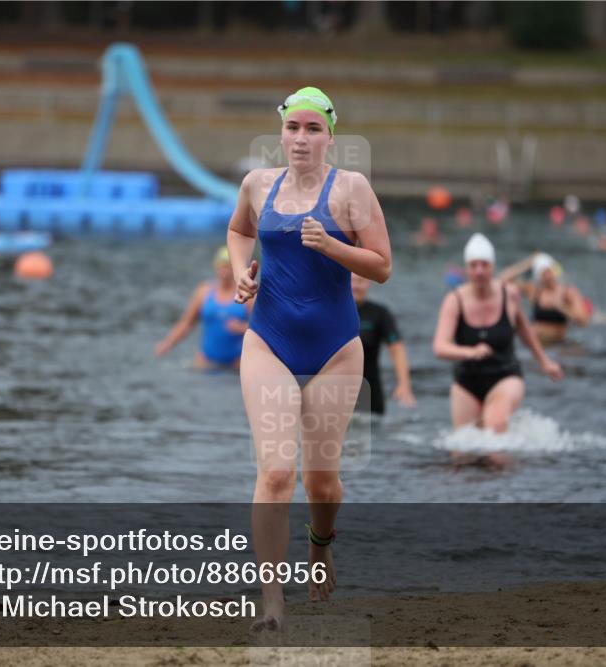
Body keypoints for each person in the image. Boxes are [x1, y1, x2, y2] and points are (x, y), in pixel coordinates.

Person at [226, 87, 391, 630]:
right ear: (281, 134)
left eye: (312, 129)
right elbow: (238, 230)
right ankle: (272, 602)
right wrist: (244, 271)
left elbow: (382, 266)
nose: (301, 138)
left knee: (321, 482)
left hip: (336, 349)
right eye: (293, 128)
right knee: (275, 472)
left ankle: (320, 549)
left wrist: (333, 247)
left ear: (330, 137)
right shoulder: (257, 184)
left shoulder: (351, 189)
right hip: (267, 341)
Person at [432, 234, 562, 466]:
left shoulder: (508, 293)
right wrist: (469, 352)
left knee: (495, 427)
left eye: (485, 265)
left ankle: (501, 495)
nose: (480, 271)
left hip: (505, 375)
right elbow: (440, 347)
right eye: (474, 265)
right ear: (467, 269)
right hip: (466, 381)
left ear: (493, 266)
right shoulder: (454, 300)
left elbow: (523, 328)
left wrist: (544, 361)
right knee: (464, 452)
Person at [154, 246, 251, 369]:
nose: (225, 272)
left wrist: (242, 328)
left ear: (236, 269)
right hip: (206, 362)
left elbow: (262, 328)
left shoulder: (248, 295)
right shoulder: (204, 292)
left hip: (236, 364)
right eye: (222, 266)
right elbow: (187, 323)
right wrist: (167, 343)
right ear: (216, 267)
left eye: (229, 267)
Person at [352, 273, 416, 415]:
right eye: (353, 281)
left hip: (370, 390)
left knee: (373, 430)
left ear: (369, 282)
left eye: (361, 281)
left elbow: (397, 349)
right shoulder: (333, 310)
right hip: (335, 387)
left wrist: (404, 384)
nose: (356, 286)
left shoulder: (379, 313)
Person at [498, 252, 592, 346]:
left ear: (554, 271)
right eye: (543, 273)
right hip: (533, 341)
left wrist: (562, 307)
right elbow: (502, 281)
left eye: (549, 271)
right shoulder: (534, 291)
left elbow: (583, 321)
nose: (547, 276)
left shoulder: (567, 292)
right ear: (538, 276)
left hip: (557, 344)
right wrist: (528, 263)